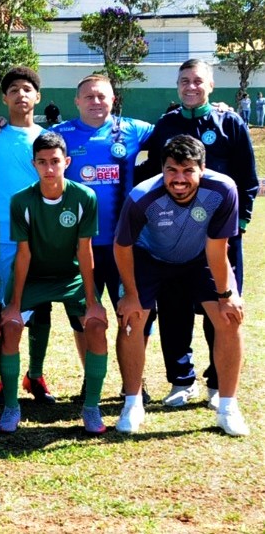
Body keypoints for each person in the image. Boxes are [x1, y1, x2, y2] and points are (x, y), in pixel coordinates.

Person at [138, 59, 257, 408]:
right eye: (184, 81)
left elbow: (248, 181)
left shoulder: (229, 122)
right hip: (173, 237)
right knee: (174, 310)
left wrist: (240, 225)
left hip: (219, 236)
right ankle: (181, 381)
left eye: (198, 81)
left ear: (211, 85)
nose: (191, 87)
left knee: (221, 309)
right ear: (177, 86)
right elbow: (146, 169)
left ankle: (218, 386)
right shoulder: (167, 125)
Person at [113, 136, 249, 436]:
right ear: (162, 169)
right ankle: (132, 403)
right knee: (132, 321)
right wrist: (131, 295)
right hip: (148, 258)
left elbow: (217, 249)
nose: (179, 179)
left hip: (200, 256)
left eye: (188, 170)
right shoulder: (142, 196)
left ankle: (227, 406)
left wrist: (227, 296)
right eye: (172, 170)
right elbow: (122, 247)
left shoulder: (223, 189)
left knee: (229, 319)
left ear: (203, 168)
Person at [52, 74, 154, 402]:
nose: (96, 102)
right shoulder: (58, 135)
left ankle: (133, 382)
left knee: (133, 314)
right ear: (77, 101)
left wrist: (221, 107)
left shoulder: (135, 129)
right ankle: (90, 379)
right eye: (89, 97)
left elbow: (178, 128)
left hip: (127, 247)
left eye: (102, 97)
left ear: (113, 100)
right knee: (84, 318)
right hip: (79, 247)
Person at [0, 132, 108, 434]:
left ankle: (91, 408)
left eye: (55, 162)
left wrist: (93, 301)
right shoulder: (21, 200)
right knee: (10, 326)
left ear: (67, 162)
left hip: (71, 278)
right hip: (33, 277)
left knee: (97, 325)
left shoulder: (84, 196)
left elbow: (84, 251)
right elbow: (23, 254)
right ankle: (11, 406)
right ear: (34, 164)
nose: (49, 168)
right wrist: (14, 305)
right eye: (43, 162)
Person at [0, 68, 51, 407]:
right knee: (0, 309)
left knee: (39, 307)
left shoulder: (49, 138)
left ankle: (34, 374)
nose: (21, 95)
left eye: (27, 89)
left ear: (37, 97)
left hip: (39, 237)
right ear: (5, 99)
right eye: (14, 90)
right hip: (1, 237)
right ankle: (1, 379)